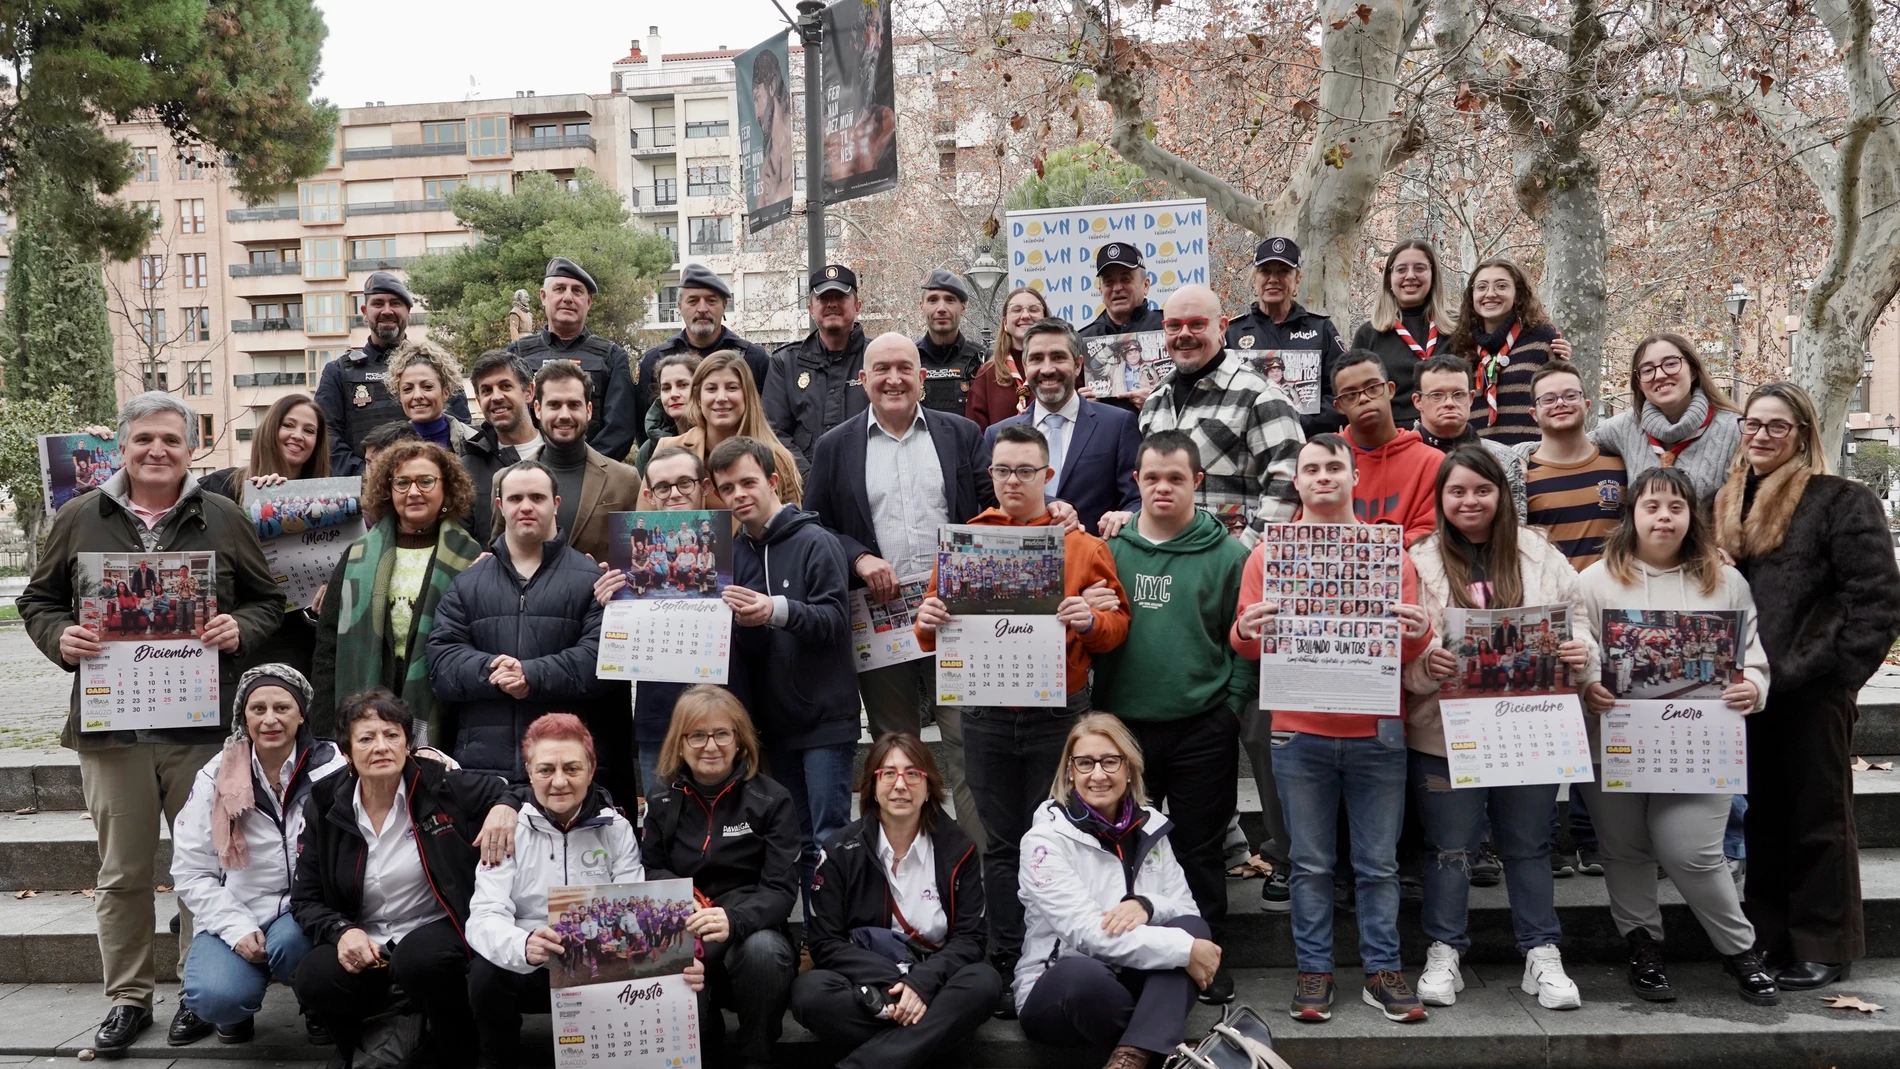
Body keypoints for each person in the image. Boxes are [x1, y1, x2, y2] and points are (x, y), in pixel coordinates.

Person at [19, 392, 285, 1056]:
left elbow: (268, 599)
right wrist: (60, 638)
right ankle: (129, 998)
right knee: (122, 872)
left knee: (212, 865)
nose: (157, 451)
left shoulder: (222, 516)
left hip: (202, 729)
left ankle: (200, 992)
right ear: (123, 447)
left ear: (191, 448)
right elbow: (39, 599)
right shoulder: (81, 516)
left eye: (170, 439)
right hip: (111, 730)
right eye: (144, 439)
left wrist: (239, 627)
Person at [914, 424, 1130, 1012]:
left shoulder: (1081, 546)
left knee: (1065, 838)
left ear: (1047, 475)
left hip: (1059, 715)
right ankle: (1009, 957)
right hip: (985, 712)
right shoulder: (966, 541)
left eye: (1025, 471)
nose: (1013, 481)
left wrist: (1090, 621)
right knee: (1003, 844)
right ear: (990, 474)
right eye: (1003, 470)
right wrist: (928, 620)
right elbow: (930, 630)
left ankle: (1064, 950)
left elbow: (1117, 629)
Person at [1231, 434, 1436, 1024]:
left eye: (1334, 467)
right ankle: (1314, 970)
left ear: (1354, 477)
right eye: (1312, 469)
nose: (1323, 476)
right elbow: (1244, 645)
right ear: (1296, 481)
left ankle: (1382, 971)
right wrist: (1247, 629)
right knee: (1311, 864)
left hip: (1377, 730)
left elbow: (1408, 649)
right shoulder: (1268, 555)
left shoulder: (1390, 554)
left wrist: (1420, 631)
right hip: (1299, 731)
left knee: (1379, 865)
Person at [1713, 382, 1900, 989]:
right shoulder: (1726, 503)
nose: (1762, 435)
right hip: (1746, 690)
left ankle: (1825, 944)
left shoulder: (1841, 500)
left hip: (1811, 688)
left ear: (1802, 435)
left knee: (1819, 818)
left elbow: (1876, 598)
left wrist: (1840, 677)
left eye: (1777, 425)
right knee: (1763, 820)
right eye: (1752, 424)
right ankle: (1769, 937)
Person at [1571, 468, 1778, 1005]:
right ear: (1632, 514)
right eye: (1652, 506)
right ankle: (1643, 945)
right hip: (1612, 743)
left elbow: (1753, 654)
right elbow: (1580, 644)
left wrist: (1753, 686)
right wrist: (1589, 682)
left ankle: (1739, 949)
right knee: (1624, 850)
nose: (1663, 517)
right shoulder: (1594, 581)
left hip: (1700, 745)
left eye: (1676, 507)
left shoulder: (1726, 582)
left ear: (1692, 516)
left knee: (1692, 851)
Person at [1404, 447, 1593, 1010]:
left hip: (1531, 729)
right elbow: (1401, 641)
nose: (1470, 501)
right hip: (1444, 732)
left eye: (1482, 490)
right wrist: (1426, 663)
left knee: (1529, 844)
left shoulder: (1539, 553)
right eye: (1457, 491)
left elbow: (1579, 617)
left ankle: (1542, 951)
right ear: (1440, 498)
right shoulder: (1418, 561)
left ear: (1502, 495)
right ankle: (1444, 950)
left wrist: (1581, 652)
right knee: (1450, 847)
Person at [804, 333, 988, 845]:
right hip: (881, 622)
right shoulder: (835, 446)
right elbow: (816, 525)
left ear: (922, 379)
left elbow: (990, 507)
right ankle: (905, 861)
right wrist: (856, 557)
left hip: (955, 616)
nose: (893, 379)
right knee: (897, 750)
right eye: (881, 369)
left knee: (969, 744)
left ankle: (977, 868)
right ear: (862, 380)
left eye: (905, 368)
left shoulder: (962, 434)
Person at [1090, 430, 1250, 1006]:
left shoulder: (1230, 555)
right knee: (1119, 848)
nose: (1163, 487)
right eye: (1152, 477)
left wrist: (1231, 708)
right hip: (1122, 727)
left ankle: (1207, 953)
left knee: (1199, 850)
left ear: (1197, 483)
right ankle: (1127, 953)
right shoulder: (1109, 549)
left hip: (1201, 724)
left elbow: (1242, 639)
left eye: (1176, 478)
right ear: (1136, 481)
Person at [289, 689, 520, 1068]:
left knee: (419, 959)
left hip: (437, 929)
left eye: (392, 735)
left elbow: (516, 789)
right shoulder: (325, 802)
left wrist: (505, 807)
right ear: (347, 752)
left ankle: (454, 1046)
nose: (381, 746)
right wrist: (341, 931)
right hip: (368, 937)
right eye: (366, 738)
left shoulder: (441, 786)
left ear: (408, 743)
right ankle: (368, 1042)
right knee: (314, 977)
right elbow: (305, 899)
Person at [1014, 715, 1220, 1069]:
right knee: (1082, 974)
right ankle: (1159, 1040)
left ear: (1129, 769)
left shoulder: (1150, 827)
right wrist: (1185, 951)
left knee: (1192, 928)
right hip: (1060, 990)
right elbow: (1087, 933)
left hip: (1134, 979)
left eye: (1110, 761)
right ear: (1070, 772)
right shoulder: (1043, 842)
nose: (1098, 774)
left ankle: (1132, 1056)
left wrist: (1148, 905)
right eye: (1085, 763)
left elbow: (1186, 910)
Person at [467, 713, 673, 1068]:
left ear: (591, 770)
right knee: (484, 975)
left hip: (599, 961)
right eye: (546, 770)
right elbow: (484, 915)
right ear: (529, 772)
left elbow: (633, 908)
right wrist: (523, 944)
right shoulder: (506, 829)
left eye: (572, 769)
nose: (559, 781)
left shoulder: (617, 828)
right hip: (532, 960)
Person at [792, 734, 1000, 1068]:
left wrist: (921, 982)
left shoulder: (958, 848)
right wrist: (897, 982)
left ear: (929, 786)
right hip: (867, 986)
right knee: (810, 993)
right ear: (872, 787)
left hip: (935, 980)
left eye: (912, 774)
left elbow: (971, 938)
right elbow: (825, 942)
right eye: (888, 773)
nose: (900, 784)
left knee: (984, 983)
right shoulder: (840, 849)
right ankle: (923, 1041)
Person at [167, 665, 346, 1046]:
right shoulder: (216, 776)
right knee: (216, 997)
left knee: (294, 943)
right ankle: (235, 1011)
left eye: (282, 708)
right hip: (238, 907)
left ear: (302, 714)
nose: (270, 720)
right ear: (243, 716)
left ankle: (317, 1002)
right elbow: (191, 870)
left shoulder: (334, 766)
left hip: (307, 908)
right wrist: (235, 927)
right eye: (258, 709)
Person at [712, 436, 859, 893]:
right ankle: (813, 930)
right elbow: (749, 644)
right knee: (797, 840)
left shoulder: (817, 541)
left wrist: (775, 610)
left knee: (830, 838)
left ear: (773, 481)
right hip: (774, 723)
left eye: (748, 482)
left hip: (825, 718)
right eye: (727, 488)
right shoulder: (733, 553)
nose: (739, 495)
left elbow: (834, 620)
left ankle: (835, 931)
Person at [641, 687, 801, 1069]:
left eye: (721, 734)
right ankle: (703, 1039)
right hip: (686, 927)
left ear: (739, 741)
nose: (710, 746)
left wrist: (733, 918)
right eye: (697, 735)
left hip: (748, 930)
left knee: (766, 952)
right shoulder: (661, 797)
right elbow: (648, 869)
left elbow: (780, 889)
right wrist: (684, 900)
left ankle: (756, 1053)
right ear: (680, 744)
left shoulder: (772, 799)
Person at [427, 461, 611, 788]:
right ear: (500, 506)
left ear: (556, 504)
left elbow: (601, 661)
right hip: (483, 771)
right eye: (515, 498)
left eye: (537, 497)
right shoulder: (468, 583)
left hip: (565, 769)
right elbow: (442, 663)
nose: (526, 507)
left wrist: (531, 675)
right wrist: (494, 671)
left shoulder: (593, 582)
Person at [312, 441, 483, 742]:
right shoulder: (357, 555)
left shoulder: (471, 558)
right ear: (387, 490)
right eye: (402, 483)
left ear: (447, 488)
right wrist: (326, 729)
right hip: (365, 707)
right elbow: (328, 647)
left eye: (425, 481)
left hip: (445, 712)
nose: (413, 492)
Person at [1107, 284, 1300, 540]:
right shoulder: (1155, 402)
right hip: (1163, 556)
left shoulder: (1261, 396)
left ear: (1222, 327)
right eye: (1174, 326)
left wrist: (1246, 552)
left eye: (1197, 324)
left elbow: (1288, 482)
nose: (1184, 334)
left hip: (1233, 560)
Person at [198, 391, 333, 676]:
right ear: (270, 429)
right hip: (230, 636)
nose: (298, 435)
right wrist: (257, 505)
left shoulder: (328, 503)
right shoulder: (219, 487)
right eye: (289, 425)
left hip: (296, 640)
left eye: (309, 431)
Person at [983, 318, 1140, 535]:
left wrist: (1126, 516)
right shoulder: (997, 435)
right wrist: (1049, 503)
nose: (1047, 369)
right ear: (1025, 366)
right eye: (1037, 359)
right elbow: (989, 502)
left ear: (1078, 365)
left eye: (1058, 357)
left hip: (1094, 551)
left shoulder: (1118, 425)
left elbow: (1137, 498)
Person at [315, 272, 470, 475]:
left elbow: (459, 430)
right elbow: (326, 436)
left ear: (408, 312)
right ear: (365, 312)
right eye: (378, 303)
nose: (387, 311)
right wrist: (371, 475)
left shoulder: (437, 366)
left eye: (395, 303)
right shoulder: (338, 372)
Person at [504, 256, 638, 461]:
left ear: (588, 302)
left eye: (577, 291)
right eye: (559, 289)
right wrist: (535, 466)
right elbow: (507, 418)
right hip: (528, 472)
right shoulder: (517, 354)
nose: (568, 297)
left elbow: (620, 430)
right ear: (543, 297)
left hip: (594, 472)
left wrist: (583, 466)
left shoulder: (611, 356)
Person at [1593, 333, 1742, 505]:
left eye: (1671, 364)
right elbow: (1575, 447)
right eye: (1647, 370)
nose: (1659, 375)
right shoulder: (1623, 428)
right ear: (1639, 384)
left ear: (1693, 371)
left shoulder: (1736, 430)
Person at [648, 350, 804, 509]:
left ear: (747, 395)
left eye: (732, 388)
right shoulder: (668, 448)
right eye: (711, 389)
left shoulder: (778, 458)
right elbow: (645, 518)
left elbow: (791, 522)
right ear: (698, 398)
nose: (721, 398)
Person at [1223, 237, 1348, 436]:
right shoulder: (1232, 333)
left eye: (1283, 271)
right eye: (1265, 271)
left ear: (1298, 278)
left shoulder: (1321, 329)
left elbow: (1343, 393)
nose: (1273, 279)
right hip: (1249, 446)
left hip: (1311, 445)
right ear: (1254, 278)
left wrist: (1298, 423)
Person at [1517, 361, 1628, 570]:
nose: (1560, 403)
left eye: (1570, 396)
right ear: (1534, 413)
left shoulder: (1620, 466)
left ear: (1587, 404)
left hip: (1613, 588)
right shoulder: (1520, 476)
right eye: (1548, 399)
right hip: (1551, 590)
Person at [530, 359, 644, 560]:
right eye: (554, 405)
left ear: (589, 410)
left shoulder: (625, 480)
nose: (564, 415)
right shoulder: (508, 480)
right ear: (538, 409)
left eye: (574, 405)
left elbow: (635, 556)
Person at [636, 263, 772, 431]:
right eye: (693, 301)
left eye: (711, 301)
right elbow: (644, 427)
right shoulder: (655, 360)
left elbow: (769, 421)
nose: (702, 309)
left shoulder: (753, 359)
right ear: (679, 306)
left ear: (724, 305)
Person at [1447, 258, 1567, 445]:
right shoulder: (1460, 345)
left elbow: (1563, 397)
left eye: (1501, 286)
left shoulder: (1541, 337)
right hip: (1476, 456)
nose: (1490, 294)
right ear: (1472, 296)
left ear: (1517, 295)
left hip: (1532, 454)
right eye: (1482, 287)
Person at [1329, 350, 1444, 544]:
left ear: (1390, 389)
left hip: (1409, 561)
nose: (1364, 398)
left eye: (1373, 387)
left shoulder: (1432, 462)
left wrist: (1384, 546)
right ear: (1339, 406)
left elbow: (1431, 533)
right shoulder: (1323, 460)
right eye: (1350, 395)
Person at [765, 264, 871, 472]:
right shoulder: (785, 363)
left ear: (857, 306)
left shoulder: (879, 359)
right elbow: (774, 434)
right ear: (811, 309)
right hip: (804, 486)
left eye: (840, 297)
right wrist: (812, 481)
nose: (832, 304)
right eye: (823, 298)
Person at [1349, 240, 1460, 429]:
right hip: (1390, 437)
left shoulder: (1458, 328)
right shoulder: (1369, 334)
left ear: (1433, 275)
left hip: (1451, 435)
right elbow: (1354, 397)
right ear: (1389, 279)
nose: (1410, 276)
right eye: (1401, 270)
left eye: (1420, 268)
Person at [1411, 354, 1526, 517]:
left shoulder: (1503, 460)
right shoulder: (1400, 458)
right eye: (1437, 395)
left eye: (1458, 394)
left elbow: (1514, 525)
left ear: (1471, 398)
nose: (1449, 403)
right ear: (1417, 401)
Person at [461, 351, 543, 540]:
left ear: (529, 392)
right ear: (478, 400)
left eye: (505, 386)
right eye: (486, 390)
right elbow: (461, 542)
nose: (496, 397)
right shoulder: (468, 469)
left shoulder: (561, 453)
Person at [965, 287, 1049, 431]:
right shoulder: (987, 373)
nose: (1025, 315)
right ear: (1005, 322)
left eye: (1033, 309)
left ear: (1045, 319)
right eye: (1016, 310)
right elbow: (975, 433)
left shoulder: (1061, 369)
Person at [914, 268, 988, 415]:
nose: (941, 308)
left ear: (963, 307)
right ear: (922, 306)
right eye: (933, 300)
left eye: (950, 300)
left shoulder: (984, 362)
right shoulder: (908, 362)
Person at [1076, 243, 1165, 341]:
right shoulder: (1082, 341)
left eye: (1125, 279)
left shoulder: (1169, 328)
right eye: (1109, 282)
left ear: (1145, 285)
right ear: (1101, 291)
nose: (1117, 288)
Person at [634, 350, 701, 473]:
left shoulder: (717, 438)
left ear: (699, 389)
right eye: (666, 388)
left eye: (683, 385)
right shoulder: (649, 451)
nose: (673, 394)